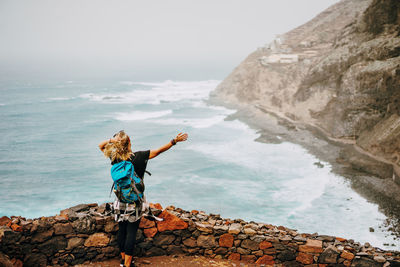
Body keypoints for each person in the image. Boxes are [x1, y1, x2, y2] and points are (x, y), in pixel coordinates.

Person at [98, 130, 188, 267]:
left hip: (120, 201)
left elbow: (100, 146)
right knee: (131, 232)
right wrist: (174, 141)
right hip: (135, 202)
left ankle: (123, 261)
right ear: (129, 142)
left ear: (118, 144)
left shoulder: (115, 157)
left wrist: (112, 140)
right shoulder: (140, 156)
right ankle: (127, 265)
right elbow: (158, 151)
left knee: (122, 230)